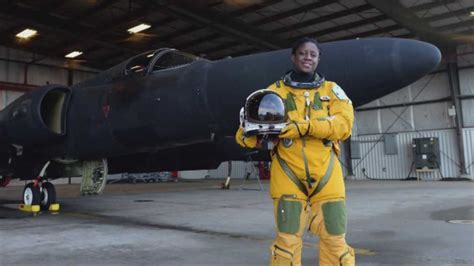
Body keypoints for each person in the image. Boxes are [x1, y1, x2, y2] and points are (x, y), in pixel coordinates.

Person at [235, 37, 355, 266]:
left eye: (313, 54)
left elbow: (344, 125)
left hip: (327, 175)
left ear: (318, 59)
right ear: (293, 57)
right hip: (288, 173)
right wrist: (249, 136)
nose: (308, 57)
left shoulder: (332, 91)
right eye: (303, 53)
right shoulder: (273, 92)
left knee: (335, 240)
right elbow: (248, 133)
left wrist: (306, 127)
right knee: (286, 242)